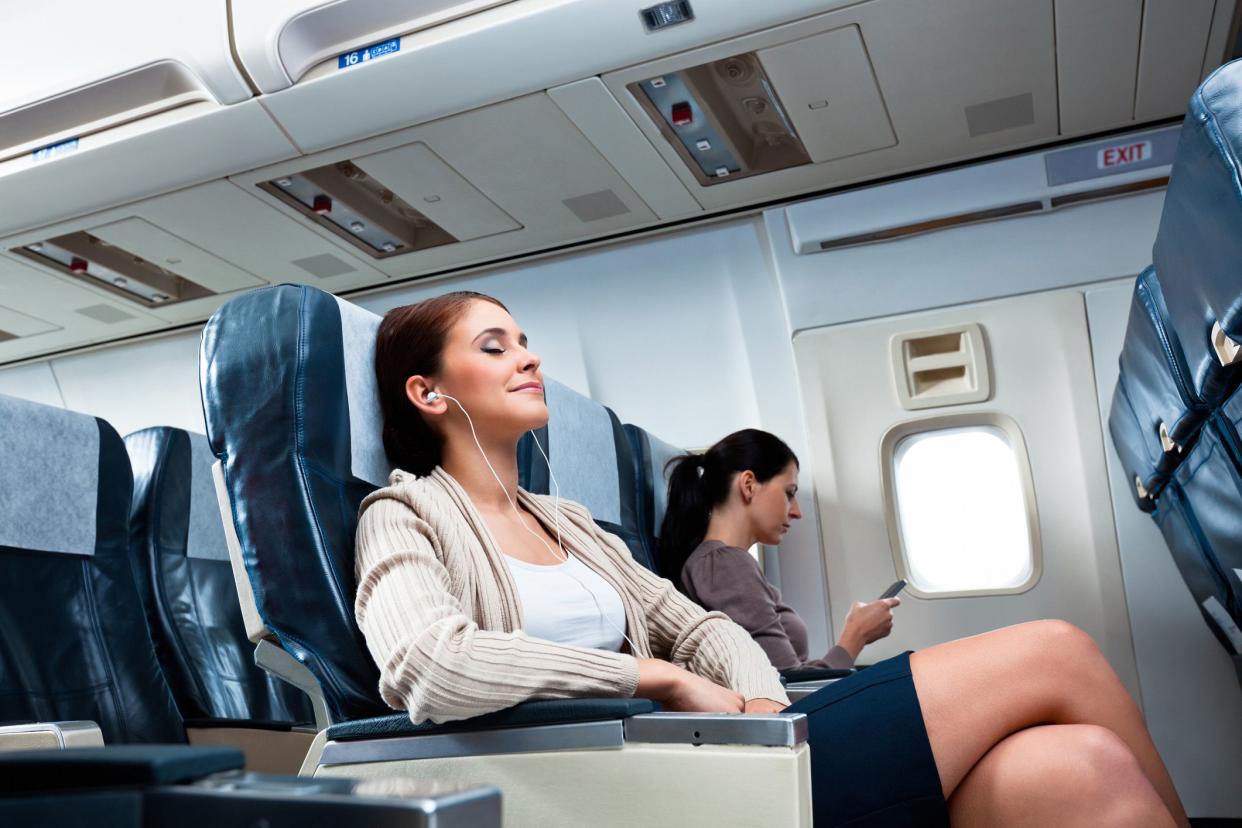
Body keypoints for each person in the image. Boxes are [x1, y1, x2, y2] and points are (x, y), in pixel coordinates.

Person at [354, 289, 1189, 827]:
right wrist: (659, 681)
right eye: (495, 346)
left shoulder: (569, 523)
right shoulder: (401, 515)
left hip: (722, 755)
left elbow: (700, 627)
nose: (530, 355)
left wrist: (752, 709)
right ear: (430, 393)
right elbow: (432, 666)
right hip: (620, 782)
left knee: (1084, 768)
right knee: (1056, 650)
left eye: (526, 339)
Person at [660, 428, 895, 672]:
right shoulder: (725, 565)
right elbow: (788, 684)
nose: (796, 511)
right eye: (789, 493)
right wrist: (855, 637)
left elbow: (786, 675)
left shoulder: (725, 564)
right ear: (749, 485)